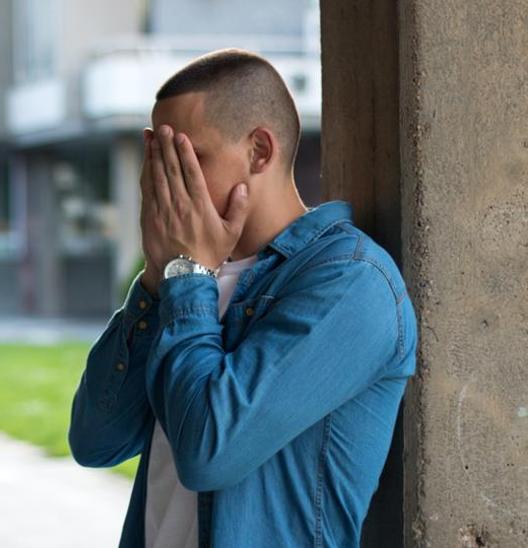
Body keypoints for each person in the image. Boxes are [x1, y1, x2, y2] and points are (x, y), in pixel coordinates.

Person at [67, 48, 417, 548]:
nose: (168, 181)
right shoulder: (183, 278)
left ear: (259, 151)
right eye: (159, 159)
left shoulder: (351, 281)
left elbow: (208, 452)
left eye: (188, 158)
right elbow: (95, 442)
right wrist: (157, 278)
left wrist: (188, 274)